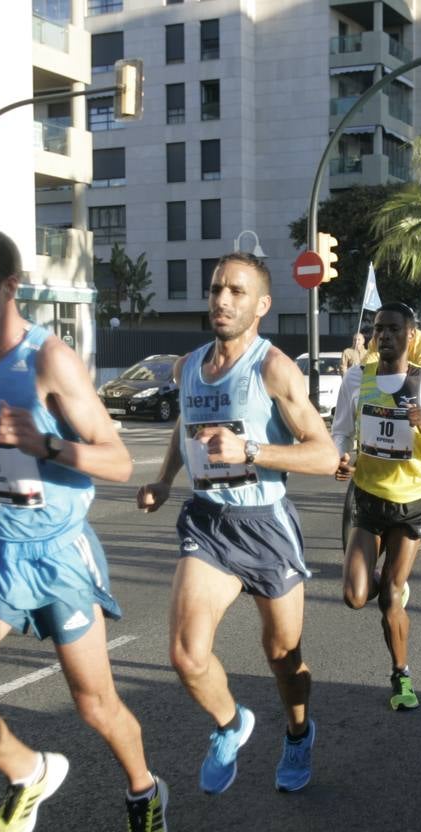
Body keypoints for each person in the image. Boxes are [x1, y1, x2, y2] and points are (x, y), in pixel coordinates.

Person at [0, 227, 168, 832]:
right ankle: (29, 771)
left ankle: (143, 790)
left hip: (57, 556)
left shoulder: (50, 361)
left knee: (97, 705)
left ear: (9, 286)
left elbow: (119, 462)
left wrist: (48, 444)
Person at [136, 252, 337, 795]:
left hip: (265, 526)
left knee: (282, 656)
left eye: (237, 292)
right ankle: (231, 724)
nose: (222, 300)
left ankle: (298, 733)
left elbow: (323, 455)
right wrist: (164, 479)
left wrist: (251, 448)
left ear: (262, 306)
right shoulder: (189, 366)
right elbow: (187, 421)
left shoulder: (274, 368)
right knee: (185, 653)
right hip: (207, 524)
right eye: (216, 288)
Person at [331, 303, 421, 710]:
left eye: (395, 329)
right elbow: (341, 431)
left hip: (412, 499)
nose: (386, 336)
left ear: (411, 336)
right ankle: (388, 577)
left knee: (391, 596)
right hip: (368, 495)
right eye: (380, 329)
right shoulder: (358, 379)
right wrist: (341, 458)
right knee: (355, 596)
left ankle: (402, 678)